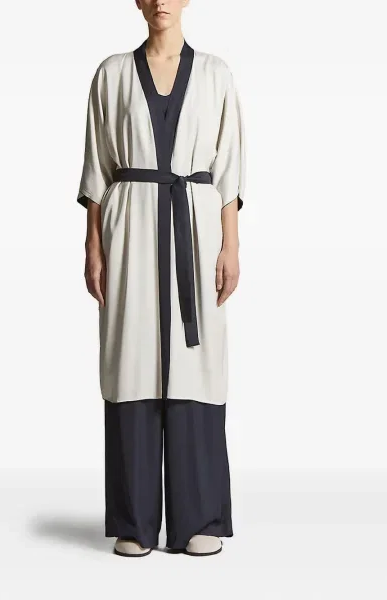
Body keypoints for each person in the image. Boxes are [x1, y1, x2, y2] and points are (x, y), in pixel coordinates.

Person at [76, 0, 246, 558]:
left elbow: (229, 170)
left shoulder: (216, 74)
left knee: (197, 365)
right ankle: (135, 521)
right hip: (130, 228)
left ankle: (199, 517)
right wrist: (93, 244)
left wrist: (231, 246)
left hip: (195, 227)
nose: (160, 2)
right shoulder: (111, 74)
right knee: (132, 359)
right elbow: (97, 167)